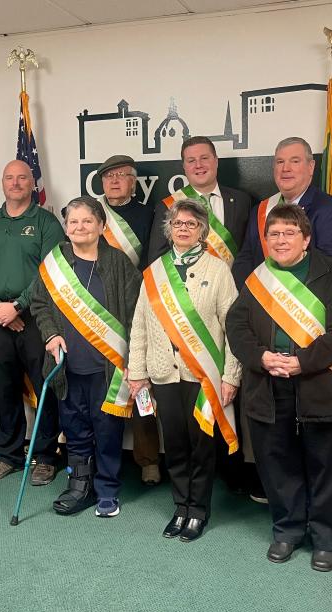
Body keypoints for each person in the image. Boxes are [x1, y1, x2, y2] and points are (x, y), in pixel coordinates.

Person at [227, 204, 332, 571]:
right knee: (276, 463)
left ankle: (327, 539)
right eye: (274, 234)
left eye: (290, 233)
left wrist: (304, 361)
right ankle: (287, 530)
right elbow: (236, 329)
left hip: (324, 385)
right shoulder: (258, 279)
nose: (281, 239)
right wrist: (261, 358)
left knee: (328, 466)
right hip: (269, 386)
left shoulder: (331, 274)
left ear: (306, 239)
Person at [128, 199, 241, 542]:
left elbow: (233, 328)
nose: (183, 229)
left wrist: (231, 376)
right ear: (169, 229)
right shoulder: (155, 272)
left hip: (203, 375)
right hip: (163, 374)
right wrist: (136, 371)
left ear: (202, 231)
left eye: (191, 224)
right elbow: (140, 326)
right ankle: (181, 506)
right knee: (174, 444)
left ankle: (199, 510)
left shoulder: (218, 270)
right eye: (178, 224)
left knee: (201, 444)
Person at [30, 196, 142, 517]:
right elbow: (39, 303)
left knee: (107, 428)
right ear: (66, 227)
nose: (79, 227)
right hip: (68, 366)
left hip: (107, 368)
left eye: (87, 221)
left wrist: (135, 359)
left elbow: (137, 312)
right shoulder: (55, 262)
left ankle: (107, 488)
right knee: (75, 427)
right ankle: (79, 484)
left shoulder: (119, 263)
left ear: (101, 226)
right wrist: (51, 334)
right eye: (73, 222)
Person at [0, 160, 65, 486]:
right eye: (10, 177)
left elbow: (49, 270)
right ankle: (9, 454)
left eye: (22, 177)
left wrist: (19, 306)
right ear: (2, 183)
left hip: (37, 318)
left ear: (31, 183)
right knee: (5, 390)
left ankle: (47, 456)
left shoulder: (46, 222)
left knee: (44, 388)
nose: (16, 183)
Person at [95, 154, 161, 486]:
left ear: (133, 181)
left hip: (137, 305)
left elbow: (152, 260)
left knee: (140, 381)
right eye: (109, 176)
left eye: (122, 175)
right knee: (99, 382)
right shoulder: (91, 214)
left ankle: (149, 459)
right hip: (96, 309)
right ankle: (96, 455)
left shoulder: (149, 213)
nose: (115, 181)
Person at [233, 137, 332, 286]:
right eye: (280, 162)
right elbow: (245, 259)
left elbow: (329, 268)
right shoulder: (260, 210)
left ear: (311, 167)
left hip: (304, 304)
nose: (285, 168)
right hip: (259, 302)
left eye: (295, 161)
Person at [148, 136, 252, 264]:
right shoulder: (168, 206)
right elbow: (157, 260)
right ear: (184, 167)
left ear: (216, 161)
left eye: (204, 158)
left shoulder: (242, 201)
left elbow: (249, 252)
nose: (198, 165)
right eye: (191, 161)